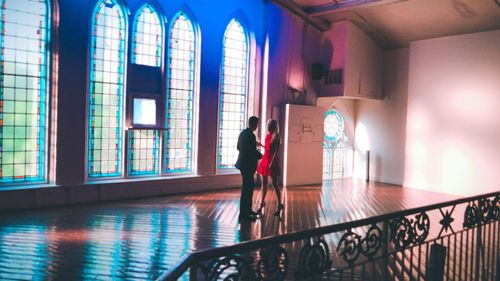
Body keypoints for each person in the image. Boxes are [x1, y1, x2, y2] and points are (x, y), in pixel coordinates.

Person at [235, 116, 262, 222]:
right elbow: (252, 152)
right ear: (255, 125)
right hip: (248, 165)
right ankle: (245, 213)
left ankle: (247, 211)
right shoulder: (251, 135)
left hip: (242, 164)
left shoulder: (243, 133)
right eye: (257, 124)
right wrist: (261, 155)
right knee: (248, 189)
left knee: (247, 188)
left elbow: (238, 147)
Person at [256, 119, 283, 217]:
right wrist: (261, 145)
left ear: (274, 127)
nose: (268, 127)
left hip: (272, 162)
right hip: (265, 160)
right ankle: (261, 204)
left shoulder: (277, 137)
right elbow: (268, 149)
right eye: (268, 125)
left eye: (270, 125)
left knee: (275, 184)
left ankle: (280, 205)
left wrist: (272, 163)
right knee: (264, 184)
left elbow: (276, 152)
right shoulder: (268, 135)